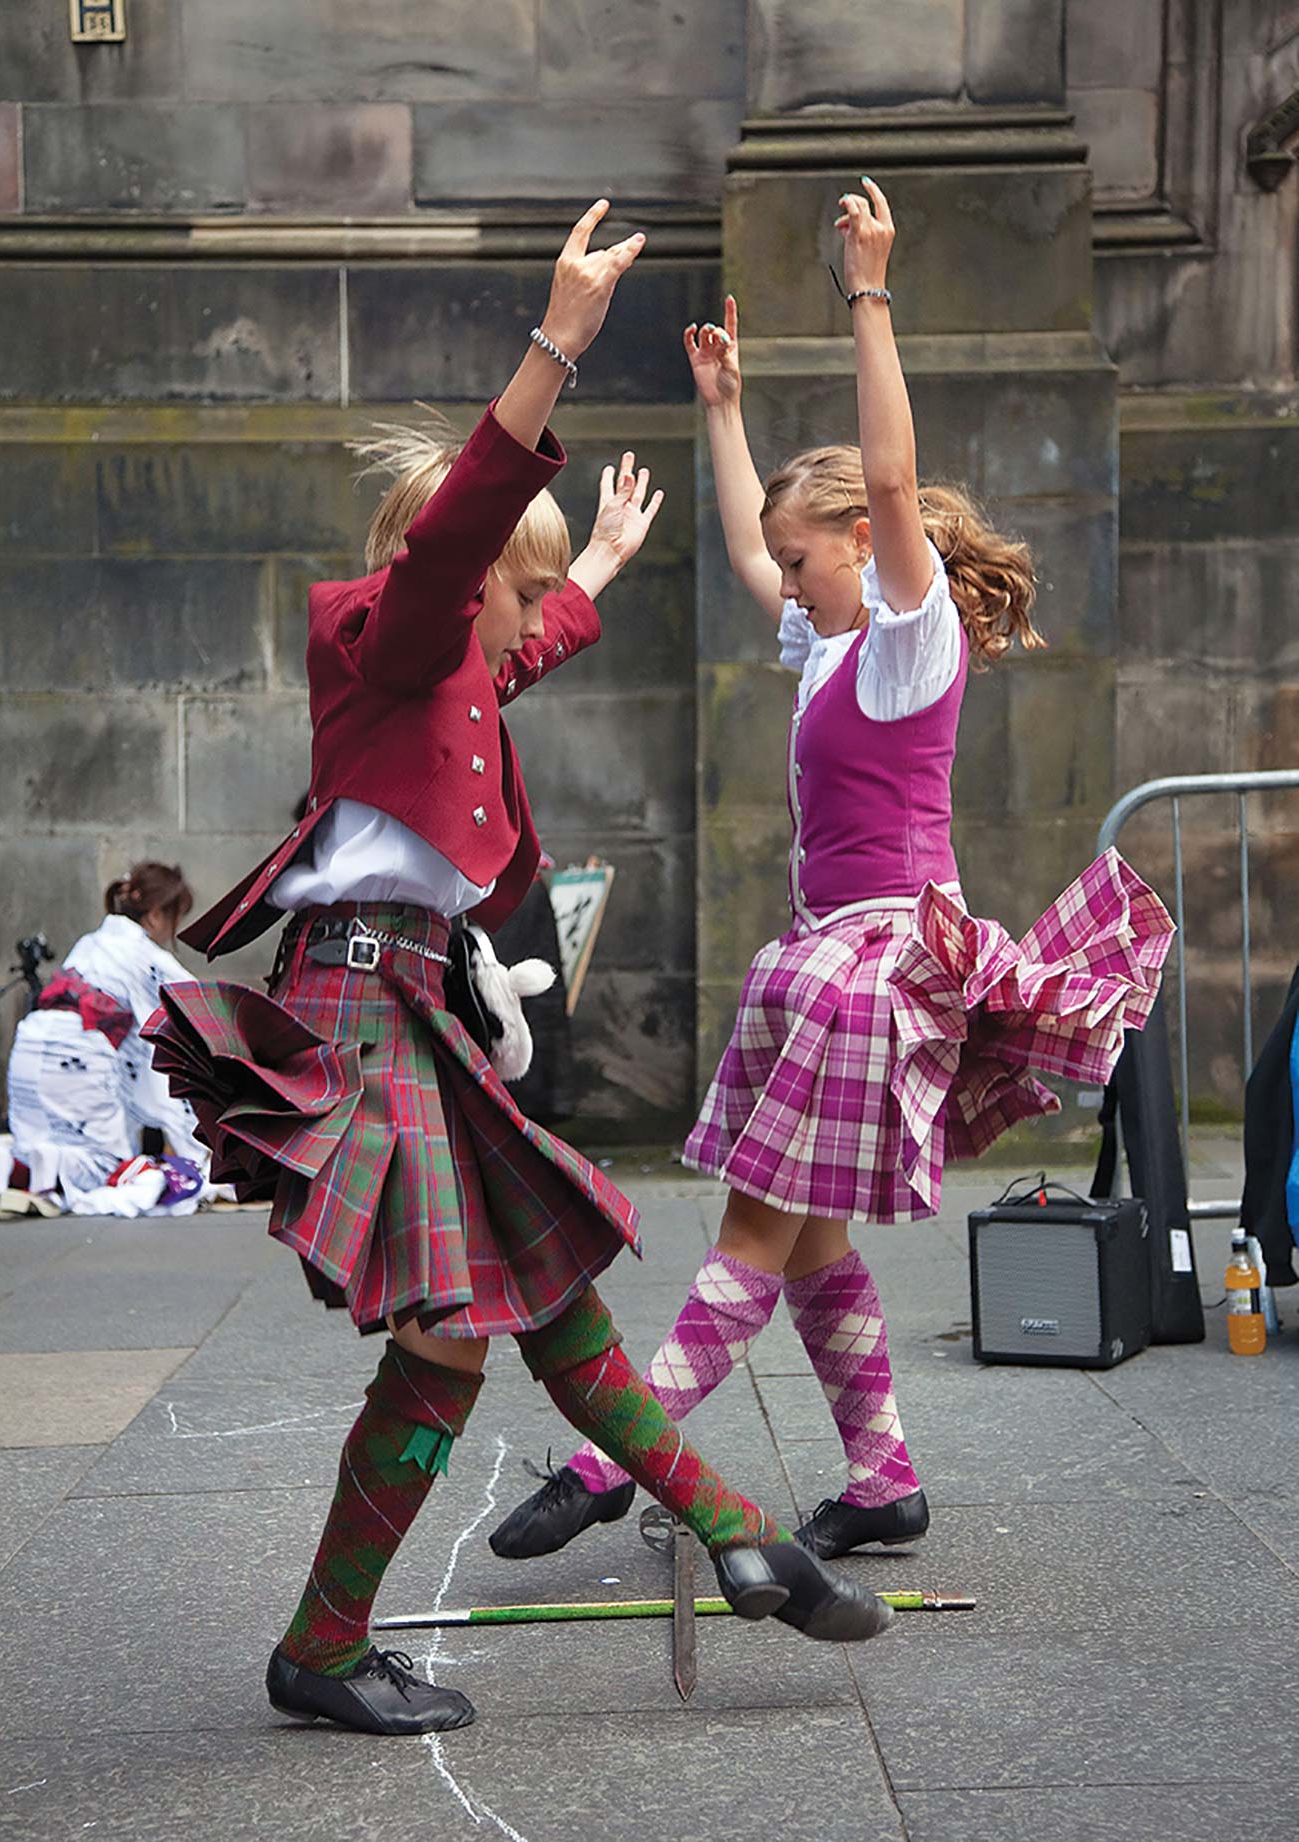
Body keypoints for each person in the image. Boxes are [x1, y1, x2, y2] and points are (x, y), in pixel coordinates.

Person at [144, 200, 893, 1742]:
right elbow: (460, 543)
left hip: (414, 1005)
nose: (524, 614)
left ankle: (727, 1524)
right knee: (461, 1327)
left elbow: (521, 652)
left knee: (540, 1299)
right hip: (366, 1008)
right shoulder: (395, 628)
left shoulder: (458, 665)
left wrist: (605, 567)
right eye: (519, 581)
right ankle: (334, 1638)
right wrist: (558, 338)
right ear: (470, 571)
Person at [491, 179, 1174, 1567]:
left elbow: (884, 459)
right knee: (803, 1244)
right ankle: (881, 1481)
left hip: (877, 966)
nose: (782, 585)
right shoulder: (831, 646)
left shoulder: (915, 640)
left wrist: (869, 293)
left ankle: (608, 1460)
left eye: (808, 564)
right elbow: (753, 540)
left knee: (756, 1225)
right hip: (829, 956)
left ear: (869, 542)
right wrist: (726, 407)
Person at [6, 863, 212, 1207]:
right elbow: (190, 1017)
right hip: (78, 1059)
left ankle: (29, 1166)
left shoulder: (91, 942)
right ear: (159, 913)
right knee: (112, 1169)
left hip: (29, 1049)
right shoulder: (143, 956)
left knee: (37, 1144)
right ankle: (50, 1169)